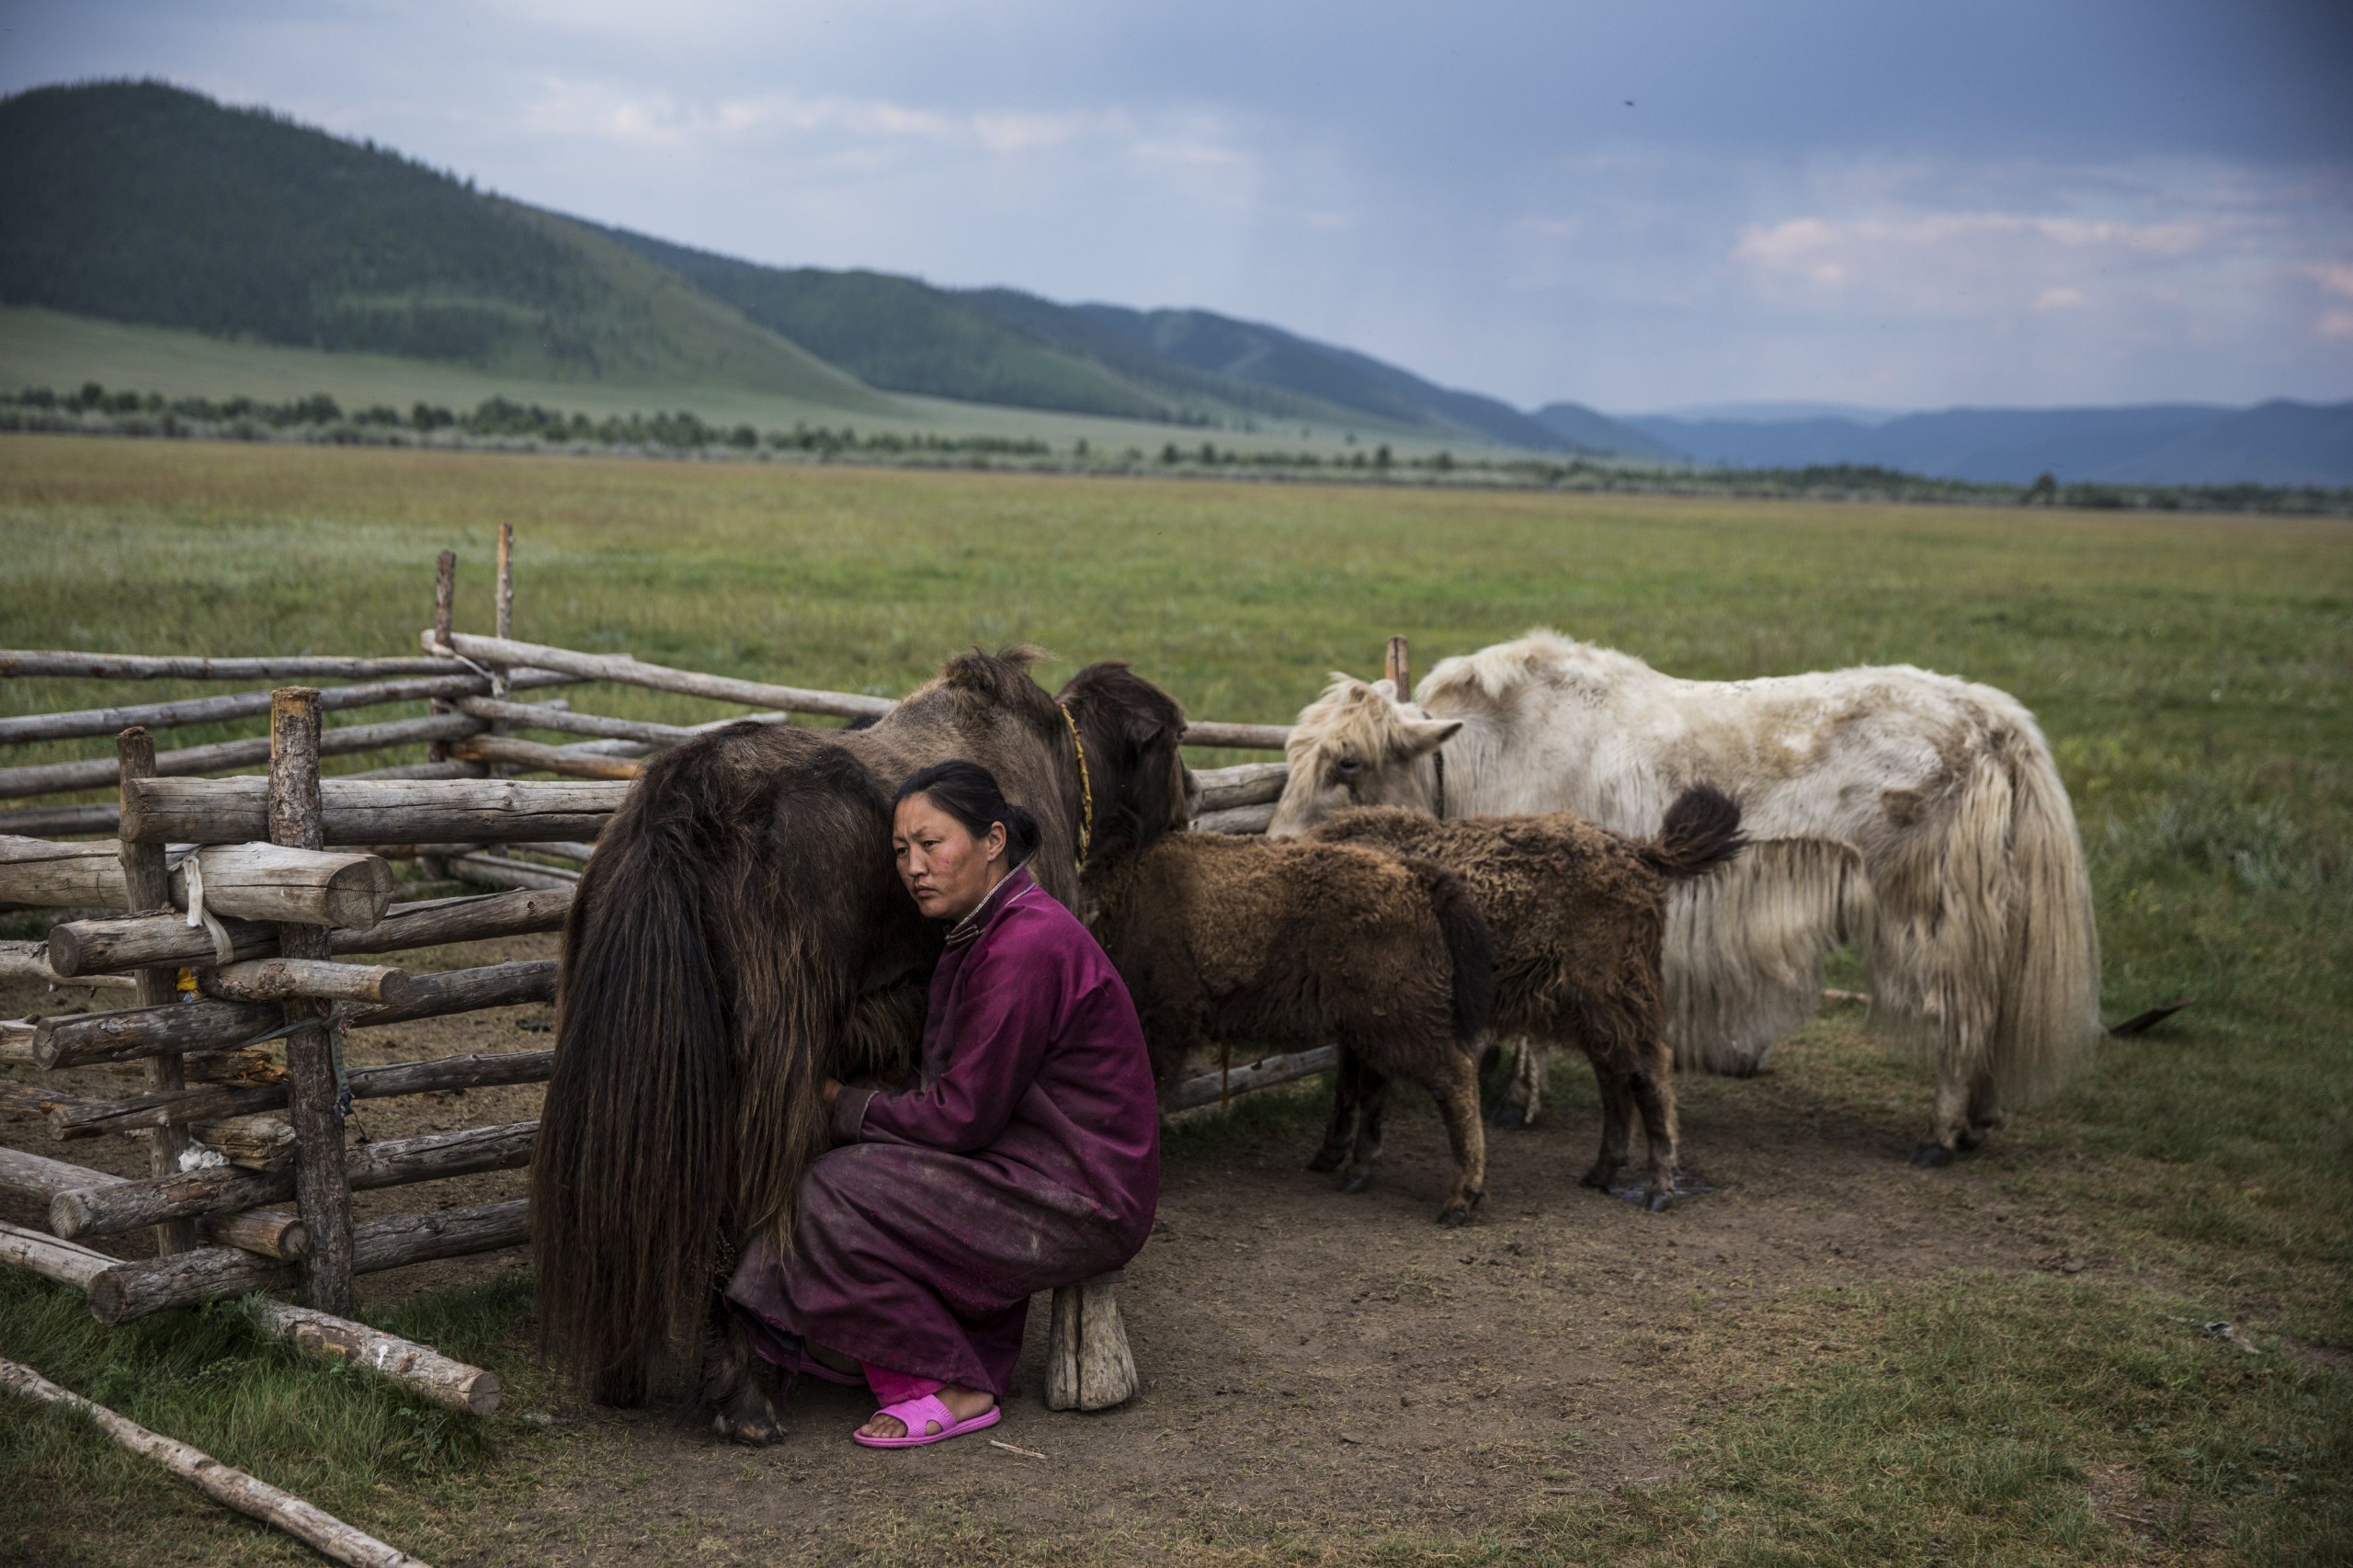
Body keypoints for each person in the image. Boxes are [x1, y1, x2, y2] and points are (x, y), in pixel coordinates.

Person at [724, 759, 1161, 1448]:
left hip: (1081, 1192)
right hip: (1033, 1165)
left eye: (932, 843)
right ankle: (879, 1347)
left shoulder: (1026, 946)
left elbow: (960, 1116)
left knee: (835, 1190)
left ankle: (957, 1381)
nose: (914, 867)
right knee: (852, 1175)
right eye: (901, 851)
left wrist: (841, 1104)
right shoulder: (989, 929)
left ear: (993, 840)